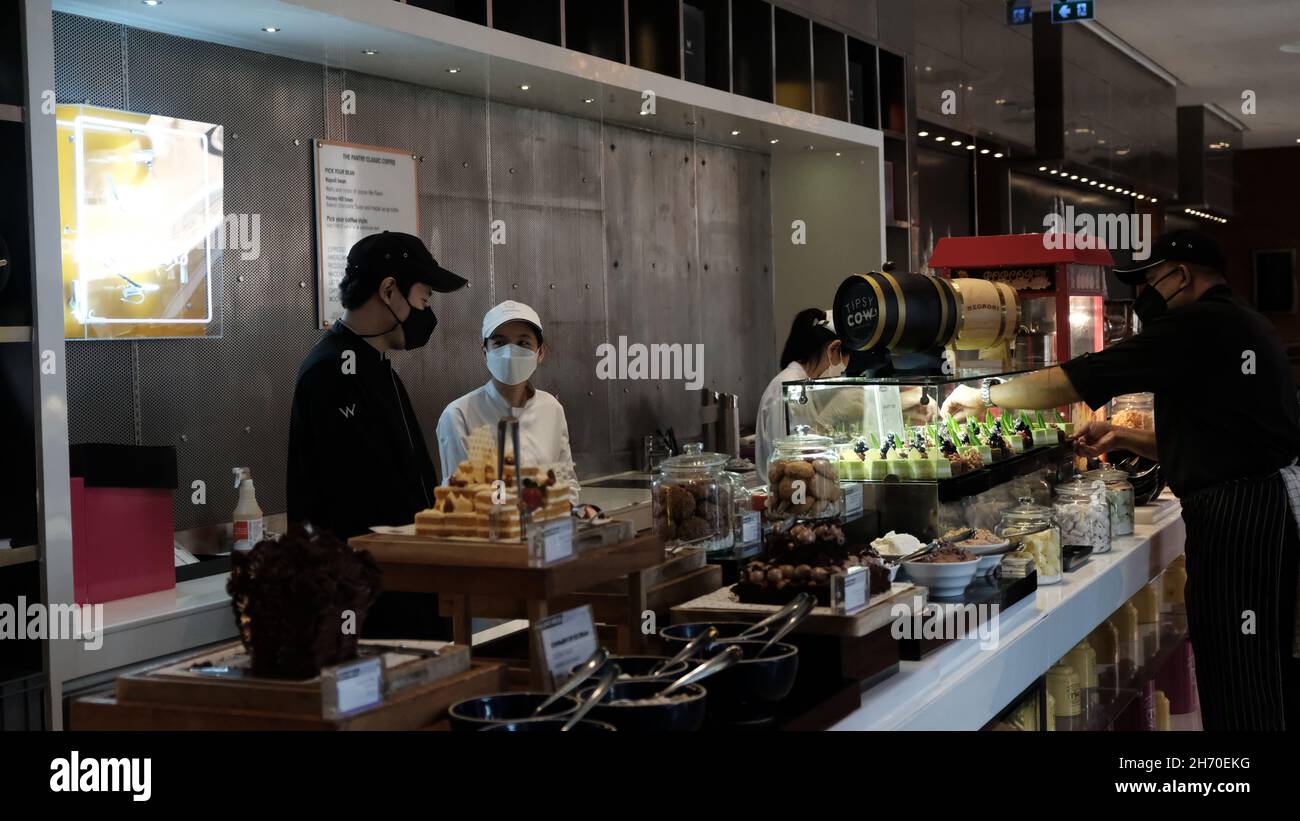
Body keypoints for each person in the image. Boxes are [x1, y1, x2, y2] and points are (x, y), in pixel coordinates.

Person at [942, 229, 1300, 730]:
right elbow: (1218, 435)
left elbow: (1082, 376)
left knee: (1241, 668)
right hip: (1260, 507)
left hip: (1241, 517)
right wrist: (1124, 437)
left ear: (1180, 275)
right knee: (1254, 663)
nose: (1143, 295)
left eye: (1149, 279)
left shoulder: (1197, 324)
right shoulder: (1237, 321)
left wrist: (984, 397)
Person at [287, 230, 468, 638]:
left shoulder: (373, 366)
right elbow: (355, 504)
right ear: (389, 290)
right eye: (423, 299)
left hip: (406, 586)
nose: (427, 313)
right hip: (370, 604)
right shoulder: (331, 373)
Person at [436, 300, 577, 488]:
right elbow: (462, 497)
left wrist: (576, 510)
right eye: (500, 343)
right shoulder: (459, 415)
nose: (510, 353)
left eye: (523, 343)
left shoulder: (551, 408)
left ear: (540, 352)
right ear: (485, 352)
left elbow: (566, 482)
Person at [755, 308, 846, 477]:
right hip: (787, 493)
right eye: (843, 361)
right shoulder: (788, 386)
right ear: (833, 349)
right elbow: (787, 458)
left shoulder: (803, 384)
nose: (842, 369)